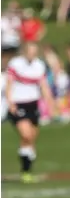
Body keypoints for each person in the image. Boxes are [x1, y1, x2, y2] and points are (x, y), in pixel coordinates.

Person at [5, 41, 55, 183]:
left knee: (31, 138)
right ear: (25, 51)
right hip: (18, 104)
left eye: (34, 51)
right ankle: (25, 171)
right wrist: (10, 102)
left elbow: (44, 86)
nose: (32, 53)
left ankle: (27, 167)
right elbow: (9, 84)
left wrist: (50, 103)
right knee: (26, 135)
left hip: (33, 105)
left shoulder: (39, 65)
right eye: (29, 50)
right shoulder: (16, 64)